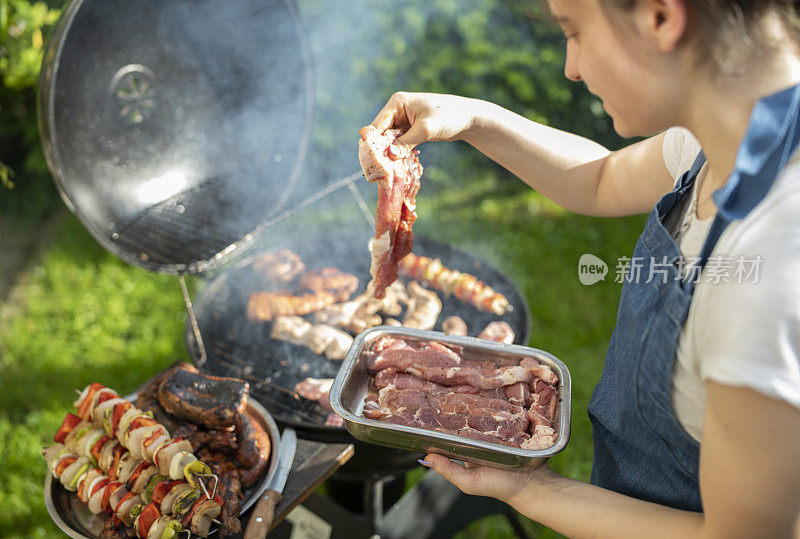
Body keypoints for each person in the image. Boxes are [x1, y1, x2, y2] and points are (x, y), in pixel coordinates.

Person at [366, 0, 800, 536]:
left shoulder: (766, 273)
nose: (571, 67)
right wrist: (472, 118)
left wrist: (530, 488)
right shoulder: (726, 134)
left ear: (660, 17)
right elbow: (599, 178)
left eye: (574, 32)